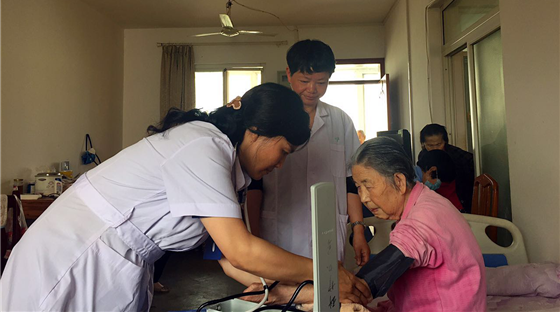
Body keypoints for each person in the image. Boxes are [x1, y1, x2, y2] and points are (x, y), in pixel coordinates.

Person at [1, 83, 371, 311]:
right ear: (257, 131)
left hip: (116, 261)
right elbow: (242, 250)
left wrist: (291, 291)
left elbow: (227, 259)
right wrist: (326, 272)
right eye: (284, 151)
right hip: (73, 258)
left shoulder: (229, 170)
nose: (281, 163)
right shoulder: (202, 146)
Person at [244, 137, 486, 312]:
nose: (364, 198)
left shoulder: (422, 220)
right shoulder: (427, 200)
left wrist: (282, 294)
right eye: (358, 187)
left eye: (368, 186)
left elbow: (362, 287)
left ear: (399, 181)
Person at [246, 40, 370, 266]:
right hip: (278, 230)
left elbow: (351, 181)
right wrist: (253, 235)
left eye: (321, 82)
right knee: (281, 284)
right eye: (304, 81)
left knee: (329, 283)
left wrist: (358, 230)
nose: (312, 89)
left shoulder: (340, 121)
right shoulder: (270, 116)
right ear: (289, 74)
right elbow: (255, 183)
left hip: (328, 230)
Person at [418, 123, 475, 212]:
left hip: (456, 203)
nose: (435, 148)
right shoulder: (423, 156)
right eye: (430, 145)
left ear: (445, 141)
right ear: (423, 144)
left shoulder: (457, 155)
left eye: (439, 144)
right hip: (435, 204)